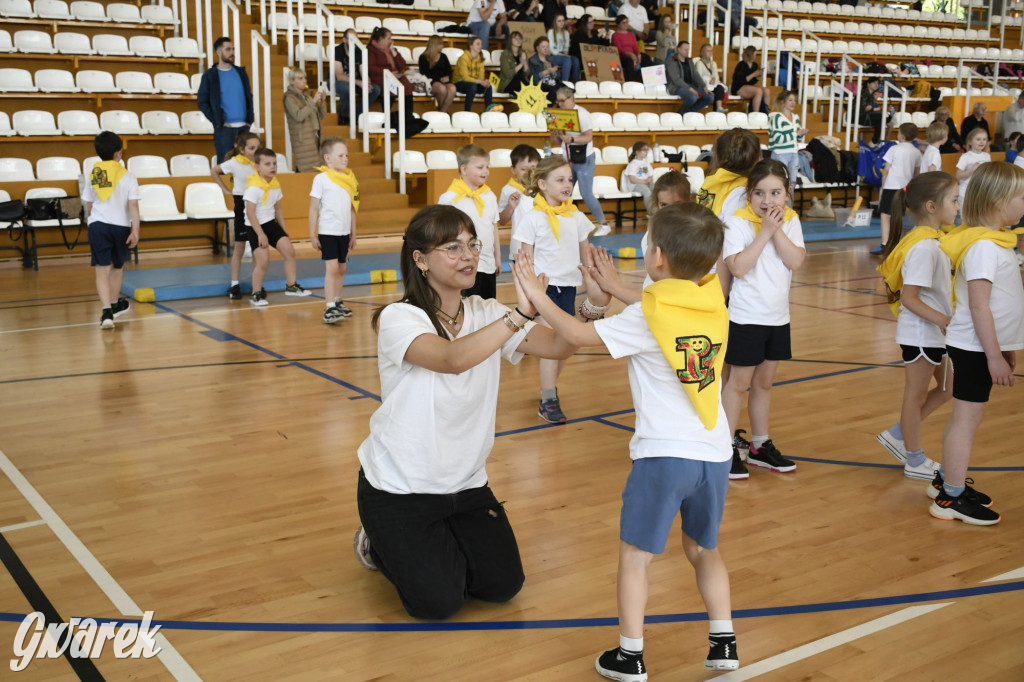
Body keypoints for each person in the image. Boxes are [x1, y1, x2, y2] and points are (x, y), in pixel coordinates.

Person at [510, 203, 741, 679]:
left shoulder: (646, 320)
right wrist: (616, 288)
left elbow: (575, 331)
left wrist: (538, 293)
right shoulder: (713, 300)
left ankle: (630, 655)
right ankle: (724, 641)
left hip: (663, 456)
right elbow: (660, 307)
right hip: (715, 453)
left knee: (635, 557)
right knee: (704, 550)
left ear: (655, 256)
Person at [352, 204, 580, 620]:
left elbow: (559, 345)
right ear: (420, 259)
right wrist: (521, 313)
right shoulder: (398, 317)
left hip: (466, 484)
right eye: (453, 247)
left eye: (473, 244)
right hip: (400, 488)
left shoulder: (486, 313)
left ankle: (435, 542)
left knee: (501, 587)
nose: (469, 255)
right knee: (438, 603)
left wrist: (592, 305)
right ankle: (376, 540)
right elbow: (452, 358)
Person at [931, 162, 1024, 525]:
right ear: (999, 200)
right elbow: (979, 305)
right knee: (966, 419)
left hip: (981, 347)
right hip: (973, 348)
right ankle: (950, 498)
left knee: (968, 417)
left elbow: (1002, 305)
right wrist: (993, 357)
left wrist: (1007, 348)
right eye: (1020, 195)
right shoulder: (984, 247)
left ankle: (949, 481)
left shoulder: (997, 242)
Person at [721, 160, 806, 479]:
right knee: (738, 383)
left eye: (775, 193)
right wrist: (766, 231)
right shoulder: (738, 222)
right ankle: (725, 447)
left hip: (777, 317)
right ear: (749, 194)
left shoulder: (792, 221)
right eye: (759, 193)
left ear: (787, 194)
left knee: (764, 383)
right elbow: (739, 267)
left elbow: (795, 260)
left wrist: (777, 229)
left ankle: (759, 446)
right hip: (745, 318)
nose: (767, 201)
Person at [875, 172, 957, 480]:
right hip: (922, 332)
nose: (958, 206)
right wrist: (943, 320)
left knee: (951, 387)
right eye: (954, 200)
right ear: (932, 206)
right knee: (916, 394)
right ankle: (914, 457)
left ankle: (898, 433)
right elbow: (910, 298)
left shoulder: (934, 241)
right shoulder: (923, 247)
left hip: (934, 331)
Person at [512, 154, 596, 423]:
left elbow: (586, 254)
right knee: (550, 344)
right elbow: (525, 259)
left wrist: (593, 280)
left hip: (569, 287)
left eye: (569, 179)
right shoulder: (532, 218)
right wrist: (527, 293)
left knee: (566, 344)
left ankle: (548, 390)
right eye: (560, 179)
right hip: (544, 289)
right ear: (542, 184)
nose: (567, 184)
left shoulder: (576, 216)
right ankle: (549, 397)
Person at [82, 131, 139, 330]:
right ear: (119, 153)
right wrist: (135, 231)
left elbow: (89, 206)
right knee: (117, 267)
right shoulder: (128, 176)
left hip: (98, 225)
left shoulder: (94, 174)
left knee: (101, 270)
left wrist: (94, 221)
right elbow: (133, 206)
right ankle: (115, 304)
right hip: (120, 226)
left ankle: (107, 311)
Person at [243, 147, 311, 306]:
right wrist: (260, 234)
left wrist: (283, 229)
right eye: (267, 164)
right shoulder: (254, 187)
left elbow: (277, 208)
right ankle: (256, 294)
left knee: (289, 251)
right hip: (255, 226)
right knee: (263, 261)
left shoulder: (275, 184)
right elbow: (250, 213)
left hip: (270, 223)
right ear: (257, 167)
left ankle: (291, 286)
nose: (272, 167)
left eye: (274, 163)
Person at [439, 144, 502, 299]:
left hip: (487, 264)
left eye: (487, 166)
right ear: (464, 169)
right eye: (480, 167)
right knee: (466, 307)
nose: (486, 171)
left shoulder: (490, 196)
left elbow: (493, 228)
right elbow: (442, 236)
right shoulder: (449, 198)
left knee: (488, 307)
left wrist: (497, 258)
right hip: (463, 264)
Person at [309, 137, 358, 324]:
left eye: (346, 155)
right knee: (332, 268)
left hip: (344, 233)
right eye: (340, 155)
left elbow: (353, 208)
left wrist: (353, 233)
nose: (345, 158)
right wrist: (312, 235)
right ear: (327, 158)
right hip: (328, 231)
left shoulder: (350, 179)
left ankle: (337, 301)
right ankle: (329, 307)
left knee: (342, 268)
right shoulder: (321, 179)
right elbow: (313, 208)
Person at [552, 86, 611, 235]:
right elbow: (554, 140)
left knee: (586, 193)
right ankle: (565, 223)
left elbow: (588, 136)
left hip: (584, 158)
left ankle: (603, 224)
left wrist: (571, 139)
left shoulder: (582, 114)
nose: (560, 104)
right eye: (558, 102)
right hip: (567, 159)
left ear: (571, 98)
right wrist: (553, 131)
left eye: (562, 101)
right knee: (565, 192)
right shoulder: (559, 114)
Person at [211, 131, 261, 300]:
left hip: (258, 205)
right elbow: (214, 171)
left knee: (257, 249)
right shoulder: (234, 163)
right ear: (242, 149)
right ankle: (234, 284)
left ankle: (257, 286)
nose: (255, 151)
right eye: (251, 148)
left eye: (257, 147)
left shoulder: (259, 163)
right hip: (242, 204)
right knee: (239, 248)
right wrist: (224, 189)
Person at [197, 37, 254, 162]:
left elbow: (249, 96)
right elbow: (202, 101)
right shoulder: (210, 75)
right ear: (218, 52)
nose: (232, 52)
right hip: (224, 130)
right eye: (228, 49)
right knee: (225, 168)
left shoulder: (241, 72)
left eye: (233, 49)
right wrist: (218, 121)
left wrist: (250, 120)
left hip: (244, 128)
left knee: (246, 167)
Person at [872, 122, 922, 256]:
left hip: (891, 186)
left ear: (902, 136)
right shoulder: (916, 152)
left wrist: (882, 186)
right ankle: (895, 243)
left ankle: (885, 243)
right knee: (898, 216)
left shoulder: (894, 149)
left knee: (885, 216)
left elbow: (886, 170)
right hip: (905, 187)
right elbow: (917, 173)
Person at [282, 68, 326, 172]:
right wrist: (314, 101)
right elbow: (298, 116)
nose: (304, 81)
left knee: (317, 166)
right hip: (303, 135)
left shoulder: (307, 95)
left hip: (316, 133)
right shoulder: (289, 97)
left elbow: (321, 116)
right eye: (300, 78)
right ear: (292, 81)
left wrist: (322, 102)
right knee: (307, 167)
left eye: (305, 78)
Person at [334, 28, 380, 123]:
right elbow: (339, 76)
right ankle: (344, 118)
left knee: (375, 89)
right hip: (338, 82)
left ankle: (357, 117)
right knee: (347, 88)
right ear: (344, 39)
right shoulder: (337, 50)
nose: (354, 41)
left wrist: (367, 83)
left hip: (355, 82)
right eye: (351, 38)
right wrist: (359, 82)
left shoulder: (359, 51)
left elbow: (364, 71)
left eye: (356, 38)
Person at [768, 90, 812, 188]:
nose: (793, 103)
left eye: (794, 100)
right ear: (782, 102)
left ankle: (789, 204)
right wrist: (796, 133)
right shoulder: (777, 118)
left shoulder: (795, 117)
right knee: (780, 183)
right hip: (780, 154)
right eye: (790, 100)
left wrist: (801, 133)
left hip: (793, 153)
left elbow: (796, 137)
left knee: (792, 184)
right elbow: (777, 138)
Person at [497, 144, 541, 240]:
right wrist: (511, 207)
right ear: (513, 170)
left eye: (533, 168)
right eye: (524, 169)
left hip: (541, 244)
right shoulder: (508, 190)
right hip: (518, 246)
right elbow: (502, 221)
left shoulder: (544, 188)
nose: (529, 173)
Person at [455, 36, 502, 112]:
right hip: (459, 83)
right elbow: (465, 78)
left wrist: (484, 82)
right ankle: (467, 110)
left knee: (488, 86)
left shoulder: (480, 58)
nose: (480, 46)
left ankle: (489, 108)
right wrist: (480, 81)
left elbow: (481, 76)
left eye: (481, 44)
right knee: (472, 86)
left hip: (473, 83)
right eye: (477, 44)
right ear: (471, 46)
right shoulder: (463, 58)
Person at [666, 41, 713, 115]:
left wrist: (704, 86)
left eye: (688, 49)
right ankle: (681, 114)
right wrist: (689, 89)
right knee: (692, 97)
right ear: (678, 49)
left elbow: (695, 74)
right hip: (676, 87)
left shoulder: (689, 61)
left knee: (710, 97)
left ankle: (688, 112)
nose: (687, 51)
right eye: (685, 49)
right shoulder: (672, 61)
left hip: (691, 85)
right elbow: (676, 80)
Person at [956, 127, 991, 218]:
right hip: (966, 193)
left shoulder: (987, 156)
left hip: (981, 193)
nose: (982, 142)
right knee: (966, 219)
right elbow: (958, 175)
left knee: (979, 218)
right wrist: (972, 170)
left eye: (984, 139)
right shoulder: (966, 157)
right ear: (970, 142)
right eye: (978, 139)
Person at [418, 35, 457, 113]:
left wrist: (448, 77)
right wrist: (439, 79)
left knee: (453, 88)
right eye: (440, 44)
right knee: (441, 89)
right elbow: (425, 73)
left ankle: (442, 112)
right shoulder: (423, 57)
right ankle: (443, 113)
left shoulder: (443, 56)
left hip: (444, 81)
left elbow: (449, 70)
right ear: (434, 45)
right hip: (431, 81)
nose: (442, 46)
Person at [610, 15, 653, 82]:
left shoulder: (631, 35)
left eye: (627, 22)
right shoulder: (615, 35)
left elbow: (635, 47)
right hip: (622, 57)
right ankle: (630, 82)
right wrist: (629, 54)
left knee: (646, 57)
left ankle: (650, 80)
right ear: (618, 24)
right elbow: (618, 49)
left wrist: (638, 54)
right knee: (629, 62)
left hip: (633, 55)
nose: (626, 24)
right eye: (623, 23)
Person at [730, 46, 771, 115]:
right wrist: (753, 74)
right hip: (738, 87)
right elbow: (739, 81)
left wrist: (757, 77)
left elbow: (751, 82)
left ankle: (766, 111)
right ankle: (755, 114)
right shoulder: (741, 65)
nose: (754, 57)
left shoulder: (754, 65)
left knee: (767, 90)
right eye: (754, 55)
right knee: (758, 91)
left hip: (748, 87)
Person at [529, 37, 566, 103]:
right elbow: (532, 79)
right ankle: (548, 109)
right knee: (553, 91)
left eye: (547, 47)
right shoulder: (532, 60)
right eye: (543, 47)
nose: (546, 49)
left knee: (569, 91)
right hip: (540, 84)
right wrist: (546, 71)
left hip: (553, 83)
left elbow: (558, 76)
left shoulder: (550, 59)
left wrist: (553, 72)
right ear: (537, 48)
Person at [623, 141, 655, 214]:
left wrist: (650, 182)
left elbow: (651, 177)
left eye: (647, 150)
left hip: (646, 183)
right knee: (646, 191)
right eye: (644, 150)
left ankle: (660, 210)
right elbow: (632, 179)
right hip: (635, 185)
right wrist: (645, 181)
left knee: (656, 189)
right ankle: (652, 213)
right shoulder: (632, 164)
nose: (646, 152)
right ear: (637, 151)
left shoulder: (647, 163)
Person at [694, 43, 727, 113]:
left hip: (712, 85)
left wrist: (714, 79)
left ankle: (719, 107)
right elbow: (699, 78)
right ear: (702, 52)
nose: (710, 52)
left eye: (711, 51)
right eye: (707, 51)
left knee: (719, 88)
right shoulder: (699, 63)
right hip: (704, 86)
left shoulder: (713, 63)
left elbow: (716, 76)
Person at [547, 14, 580, 83]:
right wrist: (564, 56)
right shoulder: (551, 32)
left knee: (576, 60)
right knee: (567, 60)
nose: (561, 23)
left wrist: (565, 54)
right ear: (555, 22)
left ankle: (575, 83)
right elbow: (552, 50)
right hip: (553, 55)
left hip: (563, 55)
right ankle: (565, 83)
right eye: (559, 21)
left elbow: (566, 47)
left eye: (563, 21)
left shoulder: (566, 33)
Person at [498, 31, 530, 96]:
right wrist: (521, 64)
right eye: (515, 38)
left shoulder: (523, 53)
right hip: (509, 82)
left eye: (520, 38)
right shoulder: (505, 54)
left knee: (536, 89)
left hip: (522, 80)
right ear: (510, 40)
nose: (518, 40)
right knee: (524, 88)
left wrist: (525, 63)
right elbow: (508, 74)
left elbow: (527, 73)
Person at [857, 77, 885, 145]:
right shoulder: (863, 93)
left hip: (867, 115)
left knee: (886, 119)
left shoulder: (872, 95)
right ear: (868, 84)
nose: (876, 85)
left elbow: (869, 108)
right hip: (859, 117)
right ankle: (874, 141)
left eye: (877, 83)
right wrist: (874, 109)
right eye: (874, 83)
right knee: (882, 118)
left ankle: (878, 141)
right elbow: (865, 108)